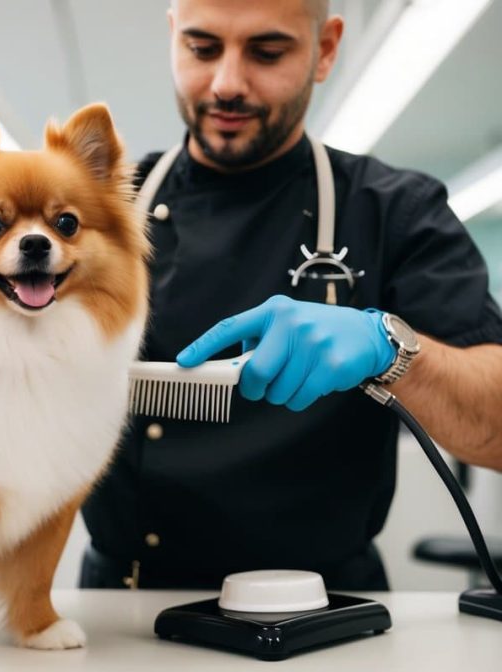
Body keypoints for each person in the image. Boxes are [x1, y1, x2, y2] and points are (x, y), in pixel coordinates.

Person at [80, 0, 502, 591]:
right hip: (121, 608)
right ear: (173, 37)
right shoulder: (95, 213)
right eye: (202, 49)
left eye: (267, 52)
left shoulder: (394, 212)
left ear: (325, 49)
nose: (227, 83)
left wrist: (389, 348)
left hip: (327, 610)